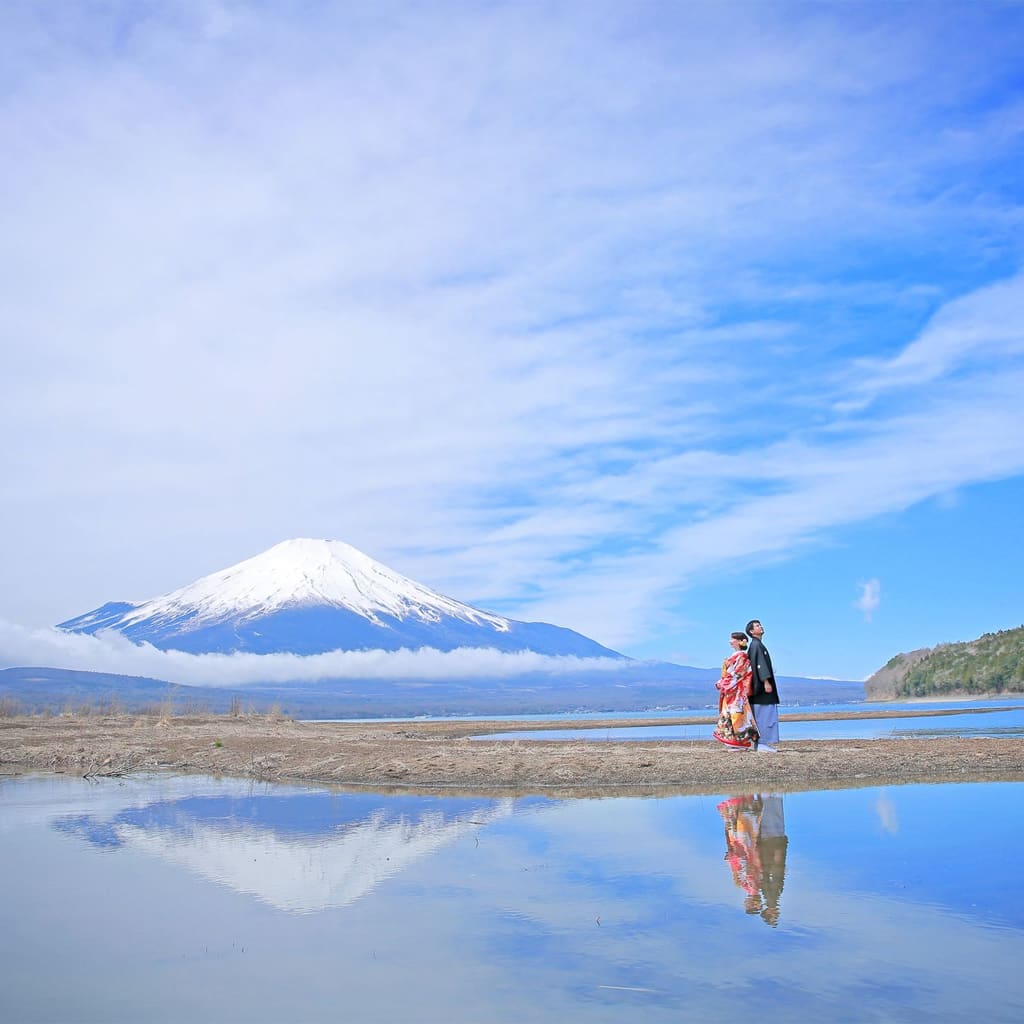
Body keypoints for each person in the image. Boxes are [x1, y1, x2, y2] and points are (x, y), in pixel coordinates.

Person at [712, 631, 759, 750]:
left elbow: (737, 674)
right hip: (730, 690)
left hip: (736, 691)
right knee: (729, 715)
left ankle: (740, 743)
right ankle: (732, 741)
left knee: (737, 715)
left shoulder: (742, 656)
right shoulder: (735, 656)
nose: (730, 641)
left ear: (739, 641)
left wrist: (722, 683)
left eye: (732, 639)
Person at [746, 618, 780, 753]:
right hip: (760, 688)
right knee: (763, 715)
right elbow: (760, 666)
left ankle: (760, 743)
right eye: (757, 626)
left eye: (760, 625)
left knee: (761, 715)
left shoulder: (757, 645)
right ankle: (762, 742)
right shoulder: (756, 646)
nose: (761, 627)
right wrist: (766, 681)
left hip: (758, 687)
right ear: (751, 631)